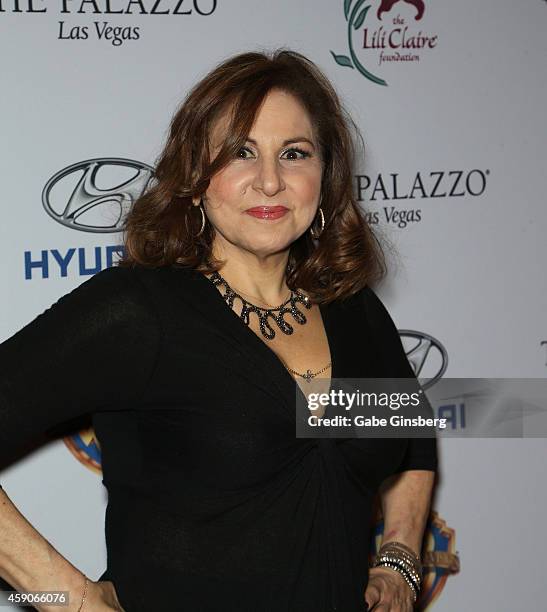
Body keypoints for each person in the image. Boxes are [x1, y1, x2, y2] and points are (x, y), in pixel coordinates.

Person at [0, 49, 438, 612]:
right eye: (240, 153)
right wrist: (75, 602)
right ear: (195, 176)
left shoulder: (350, 310)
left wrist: (399, 559)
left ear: (324, 176)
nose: (271, 181)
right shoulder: (142, 313)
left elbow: (411, 431)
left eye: (295, 154)